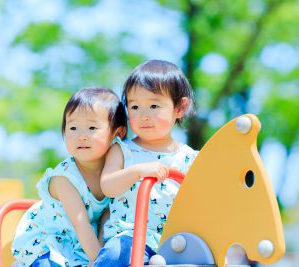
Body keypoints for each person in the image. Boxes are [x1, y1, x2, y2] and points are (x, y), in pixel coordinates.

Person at [93, 59, 198, 266]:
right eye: (134, 106)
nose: (143, 115)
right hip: (130, 237)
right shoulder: (122, 149)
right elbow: (108, 186)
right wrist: (137, 171)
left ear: (180, 107)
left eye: (153, 105)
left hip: (176, 241)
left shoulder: (189, 158)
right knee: (116, 255)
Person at [12, 88, 127, 267]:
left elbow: (108, 214)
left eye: (92, 127)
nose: (81, 135)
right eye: (72, 127)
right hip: (50, 239)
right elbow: (80, 223)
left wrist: (101, 252)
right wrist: (99, 260)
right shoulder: (64, 178)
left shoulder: (114, 173)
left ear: (118, 133)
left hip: (82, 245)